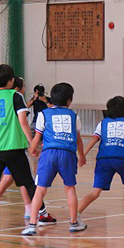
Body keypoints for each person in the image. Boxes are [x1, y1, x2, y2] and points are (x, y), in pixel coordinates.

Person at [0, 65, 55, 235]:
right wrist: (32, 143)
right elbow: (23, 122)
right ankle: (43, 214)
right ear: (11, 81)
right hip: (14, 148)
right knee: (28, 182)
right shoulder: (15, 96)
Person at [23, 83, 87, 235]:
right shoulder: (74, 116)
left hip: (49, 153)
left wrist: (32, 150)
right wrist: (82, 156)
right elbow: (78, 140)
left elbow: (37, 137)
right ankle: (73, 223)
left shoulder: (43, 114)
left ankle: (32, 224)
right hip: (68, 154)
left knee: (40, 189)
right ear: (70, 100)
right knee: (70, 188)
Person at [0, 76, 33, 220]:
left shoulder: (9, 101)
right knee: (15, 178)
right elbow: (23, 124)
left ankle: (28, 207)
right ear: (17, 88)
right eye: (23, 86)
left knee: (14, 178)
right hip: (11, 147)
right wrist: (32, 143)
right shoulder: (15, 99)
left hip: (6, 146)